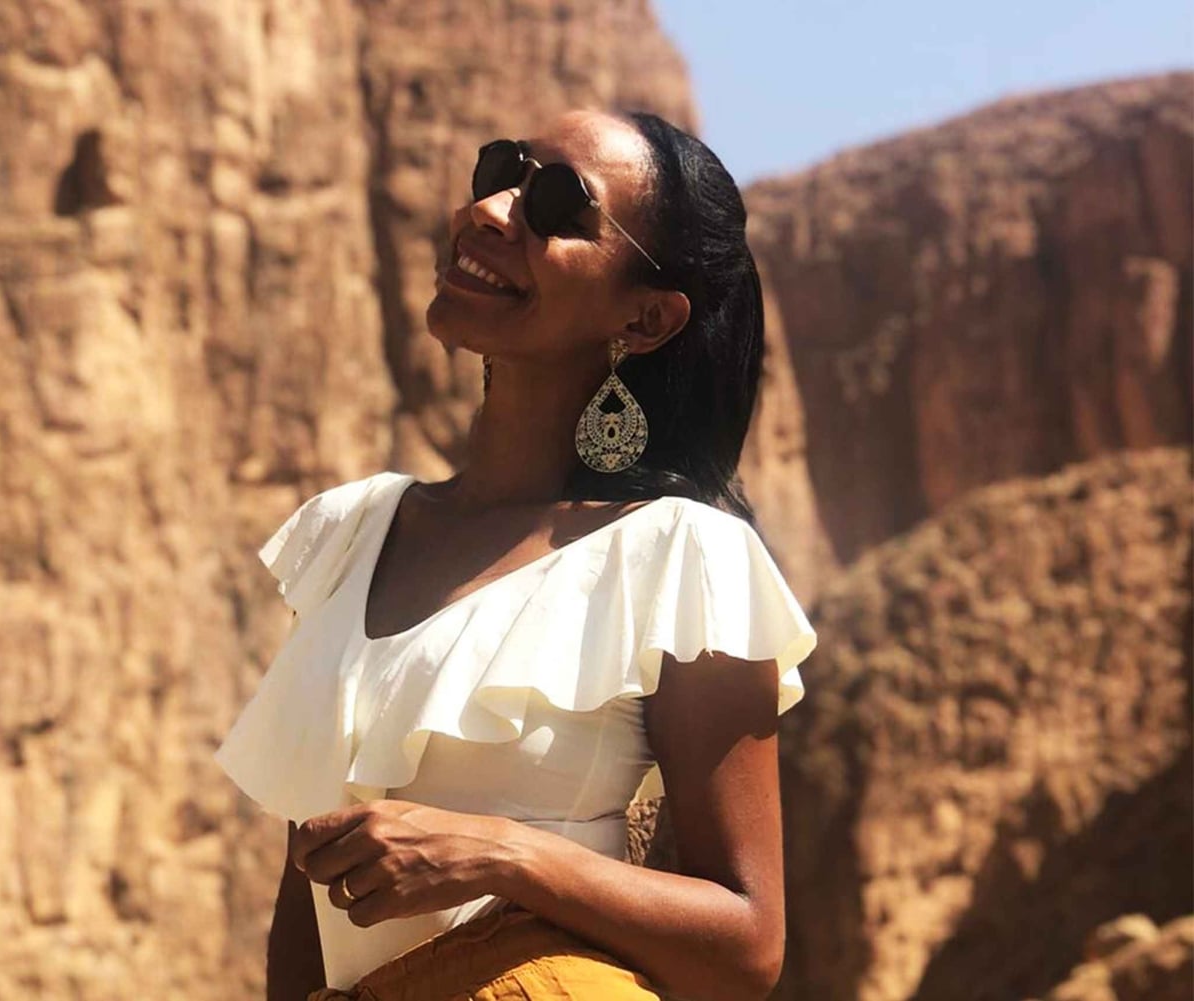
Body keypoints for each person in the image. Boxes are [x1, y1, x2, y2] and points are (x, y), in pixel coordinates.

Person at [214, 107, 818, 1001]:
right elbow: (307, 897)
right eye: (500, 170)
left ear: (646, 317)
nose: (491, 211)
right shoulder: (353, 532)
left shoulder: (681, 556)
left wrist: (501, 853)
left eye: (559, 206)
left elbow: (747, 943)